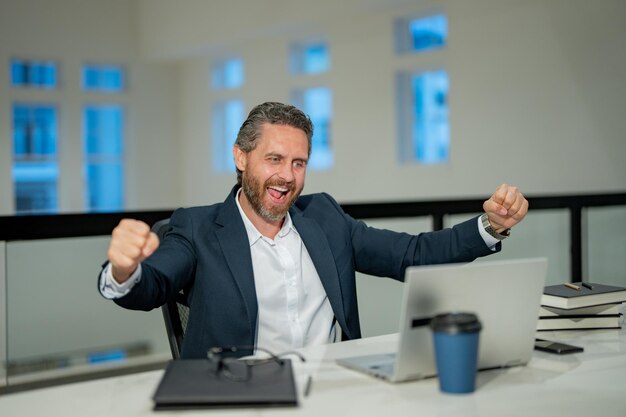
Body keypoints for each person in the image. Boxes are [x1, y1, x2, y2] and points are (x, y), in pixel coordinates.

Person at [98, 101, 528, 359]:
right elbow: (150, 285)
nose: (287, 176)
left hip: (335, 393)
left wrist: (490, 226)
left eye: (298, 163)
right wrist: (124, 269)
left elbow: (411, 253)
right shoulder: (197, 226)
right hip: (240, 399)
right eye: (274, 159)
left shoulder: (322, 217)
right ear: (241, 157)